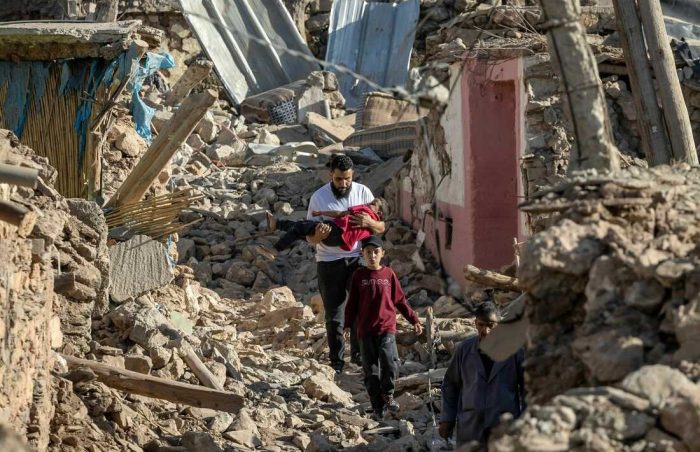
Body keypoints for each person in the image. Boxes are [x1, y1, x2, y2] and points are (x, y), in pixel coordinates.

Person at [307, 154, 385, 373]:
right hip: (328, 261)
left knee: (362, 309)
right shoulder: (318, 198)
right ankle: (337, 363)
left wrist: (370, 222)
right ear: (331, 174)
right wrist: (317, 237)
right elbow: (309, 237)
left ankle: (361, 359)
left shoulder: (363, 193)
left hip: (358, 258)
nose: (344, 183)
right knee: (334, 315)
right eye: (339, 179)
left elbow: (380, 228)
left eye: (348, 179)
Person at [344, 236, 423, 420]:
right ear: (362, 254)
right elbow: (352, 304)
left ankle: (388, 394)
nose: (372, 255)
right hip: (365, 331)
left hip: (386, 327)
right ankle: (376, 406)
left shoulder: (389, 274)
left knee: (389, 362)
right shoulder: (359, 276)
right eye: (368, 252)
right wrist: (347, 325)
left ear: (382, 254)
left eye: (376, 252)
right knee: (370, 372)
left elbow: (400, 300)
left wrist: (414, 319)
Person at [439, 302, 525, 448]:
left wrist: (527, 420)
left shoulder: (514, 351)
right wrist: (447, 418)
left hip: (503, 425)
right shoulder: (464, 350)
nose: (486, 330)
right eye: (481, 325)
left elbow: (526, 387)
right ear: (475, 324)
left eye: (491, 325)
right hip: (471, 425)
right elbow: (451, 384)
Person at [266, 198, 385, 252]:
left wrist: (322, 212)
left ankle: (276, 249)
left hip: (334, 230)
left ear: (378, 212)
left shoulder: (365, 211)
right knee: (301, 228)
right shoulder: (371, 229)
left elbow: (340, 214)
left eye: (373, 203)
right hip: (336, 242)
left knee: (300, 227)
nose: (369, 203)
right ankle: (277, 224)